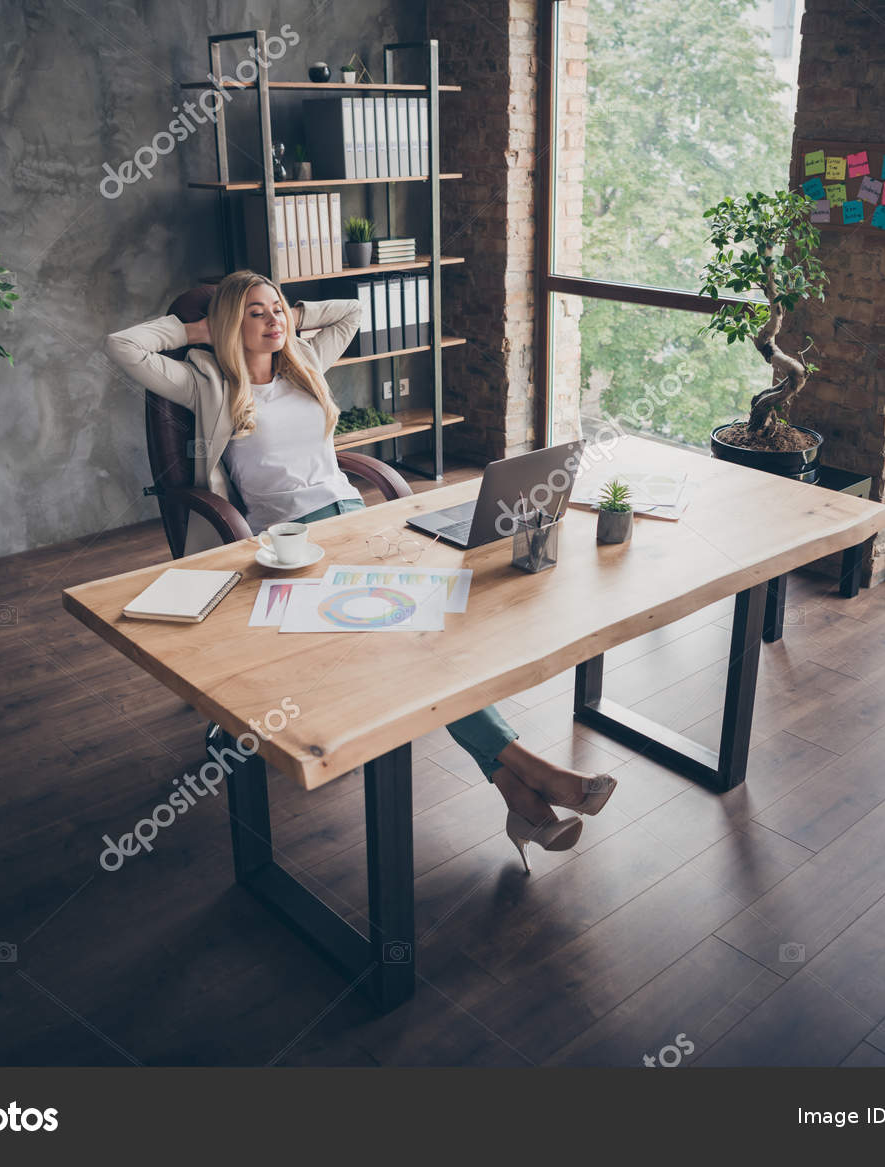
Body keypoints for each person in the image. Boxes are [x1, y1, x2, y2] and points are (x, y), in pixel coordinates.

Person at [106, 270, 617, 868]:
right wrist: (194, 326)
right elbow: (123, 345)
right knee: (413, 639)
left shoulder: (302, 357)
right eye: (256, 313)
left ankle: (521, 793)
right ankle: (534, 778)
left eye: (278, 310)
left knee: (430, 632)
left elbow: (351, 310)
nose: (274, 322)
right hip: (295, 543)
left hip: (356, 520)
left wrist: (293, 315)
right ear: (226, 324)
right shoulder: (206, 381)